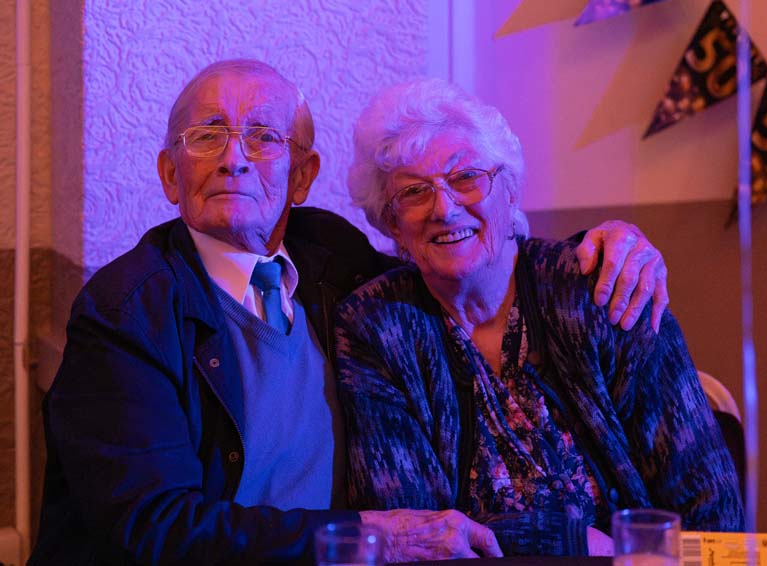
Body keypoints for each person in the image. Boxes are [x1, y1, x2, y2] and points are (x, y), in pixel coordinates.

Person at [30, 59, 670, 565]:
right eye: (207, 136)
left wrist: (602, 249)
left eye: (264, 136)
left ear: (302, 177)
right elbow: (156, 528)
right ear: (171, 175)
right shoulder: (124, 314)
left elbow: (450, 253)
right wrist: (368, 535)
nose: (233, 158)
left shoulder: (331, 257)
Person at [335, 78, 745, 559]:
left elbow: (712, 513)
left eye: (466, 178)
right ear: (392, 225)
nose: (444, 208)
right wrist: (574, 542)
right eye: (413, 193)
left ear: (509, 193)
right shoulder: (376, 326)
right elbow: (414, 532)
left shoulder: (602, 286)